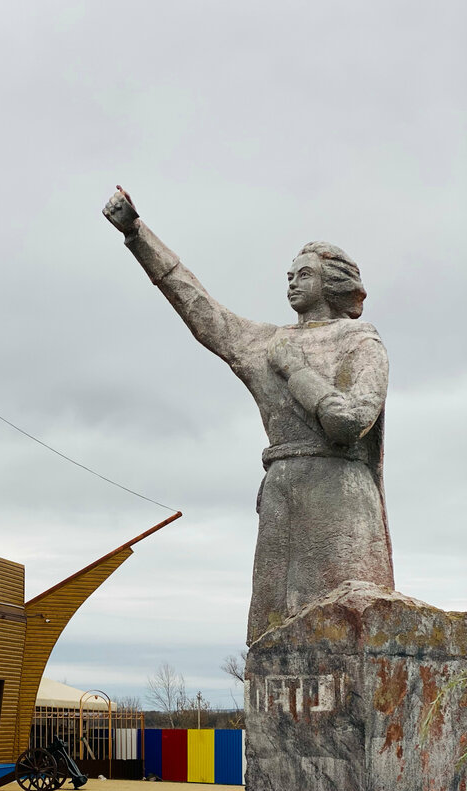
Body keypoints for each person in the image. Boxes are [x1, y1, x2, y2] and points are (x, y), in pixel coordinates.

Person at [103, 187, 394, 644]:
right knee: (270, 637)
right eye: (289, 275)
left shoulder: (358, 341)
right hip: (283, 493)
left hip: (338, 496)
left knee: (346, 636)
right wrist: (137, 234)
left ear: (332, 284)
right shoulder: (263, 342)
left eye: (304, 275)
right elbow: (199, 305)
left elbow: (348, 421)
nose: (292, 283)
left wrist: (294, 370)